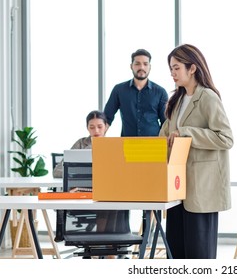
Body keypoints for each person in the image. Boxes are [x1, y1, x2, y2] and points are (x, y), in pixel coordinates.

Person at [159, 44, 234, 259]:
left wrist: (187, 134)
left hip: (202, 188)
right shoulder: (177, 100)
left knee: (199, 256)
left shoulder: (208, 97)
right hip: (177, 188)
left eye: (176, 68)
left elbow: (226, 138)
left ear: (192, 68)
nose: (172, 73)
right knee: (176, 253)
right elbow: (164, 136)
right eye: (171, 69)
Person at [53, 110, 128, 258]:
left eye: (100, 126)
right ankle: (102, 250)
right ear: (87, 127)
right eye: (92, 127)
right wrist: (80, 173)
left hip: (106, 192)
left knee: (112, 205)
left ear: (106, 126)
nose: (96, 131)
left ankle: (106, 250)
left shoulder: (115, 144)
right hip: (83, 193)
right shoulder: (81, 144)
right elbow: (57, 171)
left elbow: (123, 171)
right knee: (107, 206)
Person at [103, 49, 168, 137]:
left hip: (153, 145)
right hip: (127, 144)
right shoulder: (119, 90)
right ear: (131, 66)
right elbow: (107, 118)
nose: (141, 67)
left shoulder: (160, 92)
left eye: (145, 64)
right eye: (137, 64)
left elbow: (166, 122)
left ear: (150, 67)